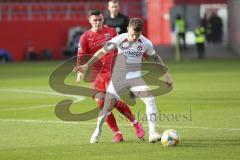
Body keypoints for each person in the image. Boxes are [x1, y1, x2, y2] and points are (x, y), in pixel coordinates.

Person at [79, 18, 173, 143]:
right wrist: (86, 65)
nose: (134, 37)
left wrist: (166, 74)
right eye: (132, 34)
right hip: (119, 78)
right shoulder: (119, 39)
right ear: (128, 28)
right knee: (106, 107)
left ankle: (153, 133)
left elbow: (156, 57)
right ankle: (97, 131)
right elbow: (102, 51)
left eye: (137, 35)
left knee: (150, 99)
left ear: (141, 32)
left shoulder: (146, 43)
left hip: (135, 78)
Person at [76, 10, 144, 142]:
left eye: (100, 20)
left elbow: (124, 45)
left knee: (112, 101)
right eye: (95, 20)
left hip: (112, 71)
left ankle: (135, 123)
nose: (98, 23)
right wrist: (80, 71)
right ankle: (118, 133)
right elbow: (81, 55)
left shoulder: (112, 32)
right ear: (89, 20)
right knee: (102, 104)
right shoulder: (85, 37)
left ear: (103, 20)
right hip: (96, 75)